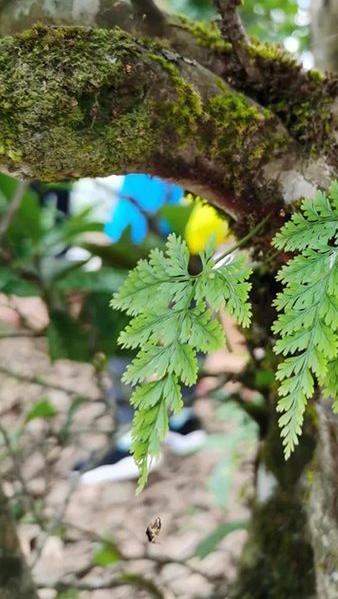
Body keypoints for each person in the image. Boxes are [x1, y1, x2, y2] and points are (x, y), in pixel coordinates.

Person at [74, 179, 230, 485]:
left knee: (124, 339)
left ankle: (133, 442)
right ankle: (182, 421)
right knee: (190, 320)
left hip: (145, 238)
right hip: (195, 229)